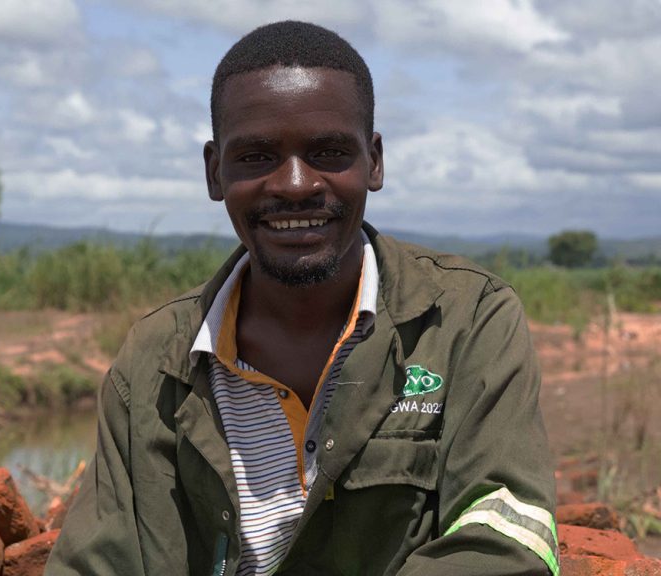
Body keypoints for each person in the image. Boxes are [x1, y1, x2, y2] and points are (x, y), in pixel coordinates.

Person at [45, 20, 559, 576]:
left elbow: (507, 543)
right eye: (256, 157)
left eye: (329, 151)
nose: (293, 184)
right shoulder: (155, 361)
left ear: (375, 162)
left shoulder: (466, 320)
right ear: (215, 171)